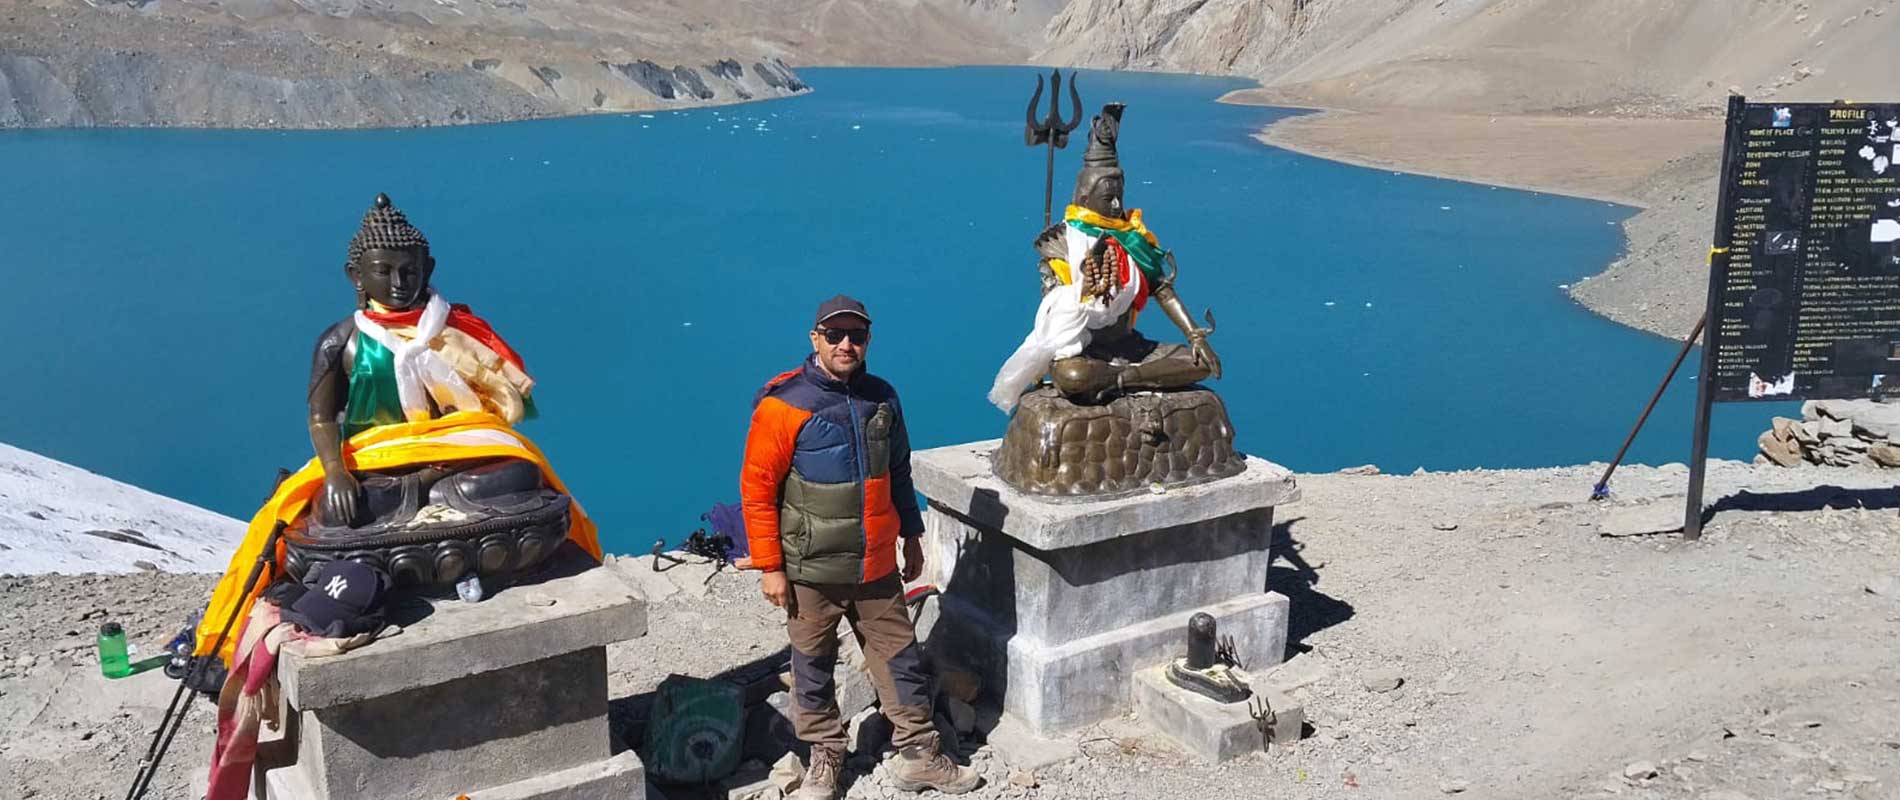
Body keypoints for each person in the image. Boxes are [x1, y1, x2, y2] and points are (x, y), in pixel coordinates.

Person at [738, 295, 980, 799]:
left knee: (900, 658)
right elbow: (757, 489)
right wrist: (770, 567)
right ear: (816, 339)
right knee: (812, 664)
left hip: (876, 566)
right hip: (810, 569)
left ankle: (919, 755)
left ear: (868, 340)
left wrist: (912, 536)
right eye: (835, 335)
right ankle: (824, 757)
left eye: (857, 335)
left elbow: (898, 472)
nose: (846, 344)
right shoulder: (784, 404)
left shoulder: (882, 398)